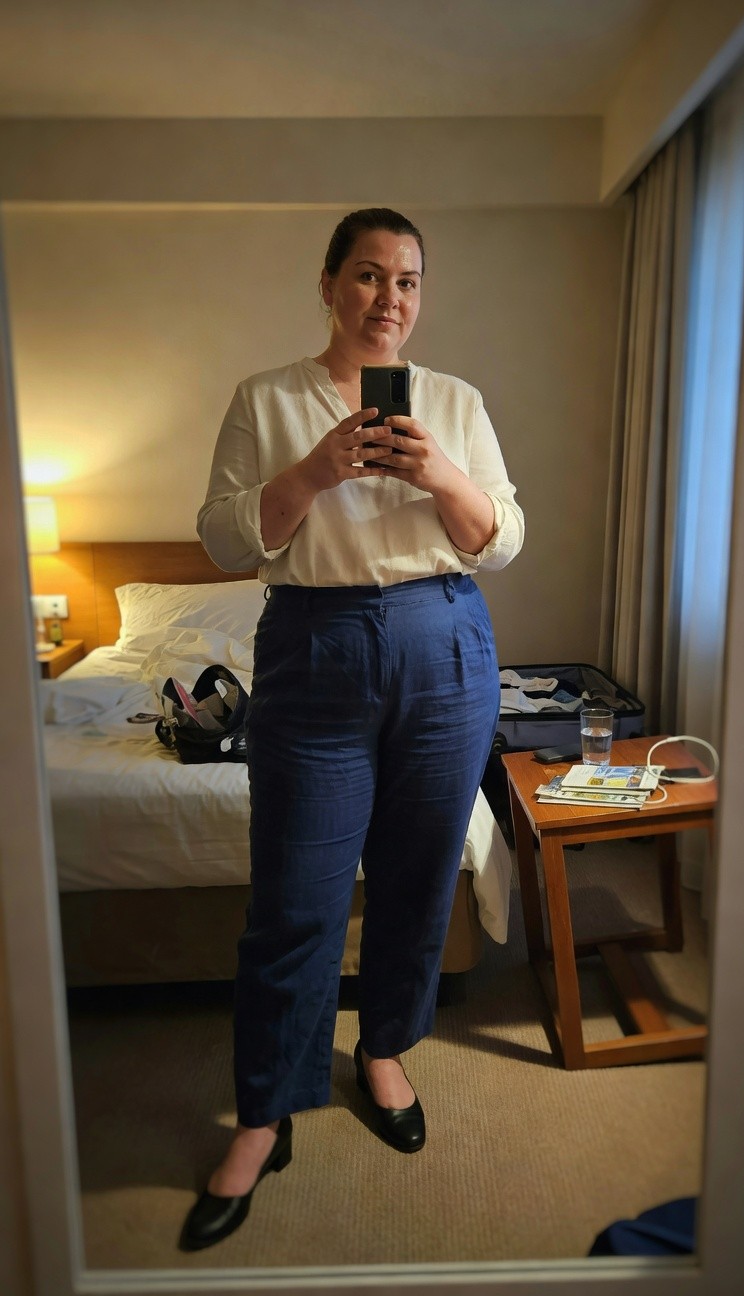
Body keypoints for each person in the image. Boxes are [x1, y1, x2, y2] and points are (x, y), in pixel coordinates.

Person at [181, 208, 524, 1251]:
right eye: (369, 277)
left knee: (423, 877)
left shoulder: (454, 402)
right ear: (329, 284)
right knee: (295, 896)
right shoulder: (267, 398)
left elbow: (498, 538)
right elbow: (225, 537)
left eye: (409, 281)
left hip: (445, 644)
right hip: (316, 649)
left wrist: (439, 473)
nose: (390, 299)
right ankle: (262, 1112)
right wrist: (320, 469)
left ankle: (384, 1050)